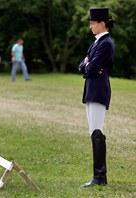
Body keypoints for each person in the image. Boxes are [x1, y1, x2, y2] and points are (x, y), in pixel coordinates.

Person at [79, 8, 115, 187]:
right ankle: (99, 177)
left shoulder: (106, 43)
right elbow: (83, 65)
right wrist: (87, 65)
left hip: (99, 90)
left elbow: (90, 68)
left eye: (92, 23)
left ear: (102, 23)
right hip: (91, 89)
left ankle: (99, 177)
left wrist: (88, 65)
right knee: (93, 131)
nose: (90, 26)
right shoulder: (96, 43)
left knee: (97, 131)